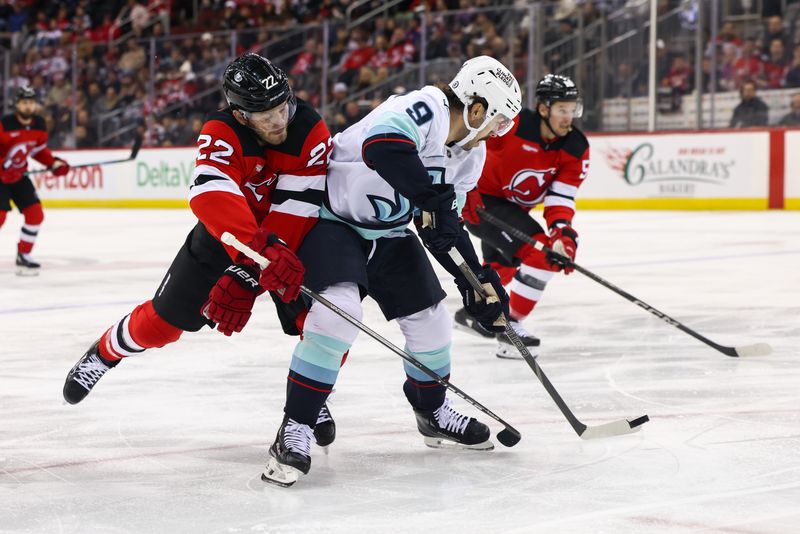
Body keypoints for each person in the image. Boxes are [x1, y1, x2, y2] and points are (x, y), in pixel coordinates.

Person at [261, 56, 521, 487]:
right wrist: (429, 197)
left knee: (433, 320)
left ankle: (432, 410)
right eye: (498, 121)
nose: (498, 131)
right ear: (476, 108)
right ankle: (297, 426)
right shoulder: (427, 108)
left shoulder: (469, 159)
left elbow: (442, 228)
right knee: (336, 315)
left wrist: (476, 280)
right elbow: (382, 146)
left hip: (389, 231)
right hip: (332, 220)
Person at [61, 53, 337, 446]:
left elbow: (297, 208)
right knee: (161, 325)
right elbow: (211, 195)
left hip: (287, 241)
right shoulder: (221, 130)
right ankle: (105, 351)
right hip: (229, 238)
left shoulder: (309, 130)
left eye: (283, 107)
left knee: (323, 325)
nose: (279, 121)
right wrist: (250, 255)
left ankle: (311, 397)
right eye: (266, 115)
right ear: (241, 115)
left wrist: (255, 268)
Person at [455, 74, 590, 360]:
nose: (569, 117)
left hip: (513, 210)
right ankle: (509, 326)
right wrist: (461, 189)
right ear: (544, 109)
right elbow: (469, 146)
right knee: (539, 256)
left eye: (572, 109)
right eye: (562, 110)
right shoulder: (512, 125)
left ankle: (473, 314)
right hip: (481, 203)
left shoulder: (575, 147)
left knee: (502, 268)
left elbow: (560, 197)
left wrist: (562, 232)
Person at [0, 86, 70, 275]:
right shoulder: (5, 124)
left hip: (18, 177)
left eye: (31, 102)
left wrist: (54, 163)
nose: (28, 106)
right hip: (0, 178)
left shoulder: (39, 124)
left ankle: (24, 255)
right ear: (17, 105)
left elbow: (39, 152)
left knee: (35, 214)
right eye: (24, 103)